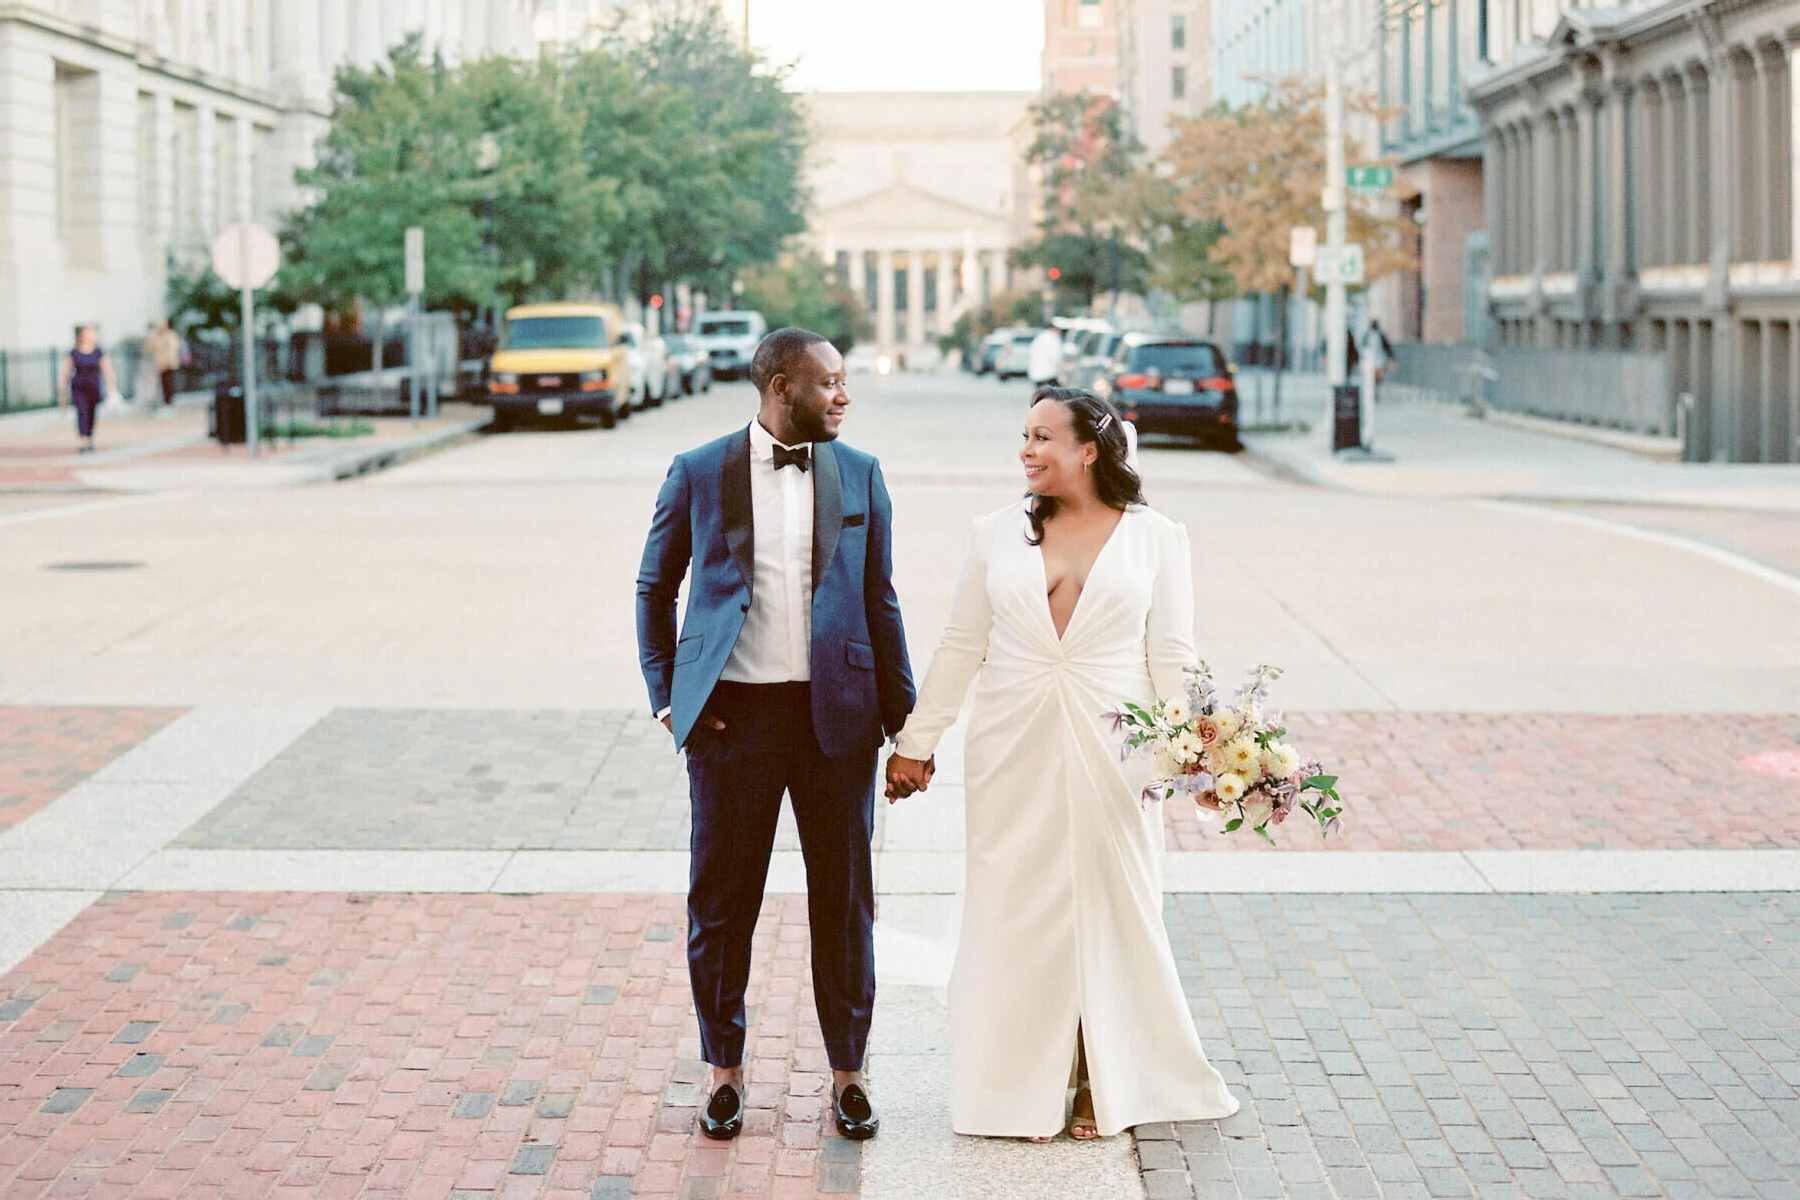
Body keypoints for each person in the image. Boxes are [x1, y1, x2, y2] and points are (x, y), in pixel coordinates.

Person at [884, 385, 1239, 1142]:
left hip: (1119, 751)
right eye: (1024, 435)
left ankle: (1096, 1081)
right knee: (1017, 912)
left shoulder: (1157, 538)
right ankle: (1020, 1087)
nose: (1027, 450)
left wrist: (1206, 756)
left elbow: (1173, 656)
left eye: (1044, 436)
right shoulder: (993, 533)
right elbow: (960, 645)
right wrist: (918, 742)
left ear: (1090, 449)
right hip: (1012, 744)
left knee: (1112, 909)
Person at [635, 327, 917, 1143]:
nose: (843, 395)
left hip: (839, 722)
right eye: (829, 382)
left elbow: (881, 598)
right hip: (734, 725)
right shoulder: (698, 471)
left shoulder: (859, 472)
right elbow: (656, 588)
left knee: (846, 903)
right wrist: (669, 700)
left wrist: (905, 727)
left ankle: (849, 1076)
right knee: (723, 906)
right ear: (781, 385)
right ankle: (722, 1074)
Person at [60, 325, 117, 454]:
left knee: (91, 412)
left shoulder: (98, 352)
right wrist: (62, 385)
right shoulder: (74, 352)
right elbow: (66, 370)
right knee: (82, 411)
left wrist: (111, 387)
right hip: (79, 387)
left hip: (93, 387)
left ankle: (90, 438)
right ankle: (83, 440)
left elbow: (107, 369)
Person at [144, 319, 185, 408]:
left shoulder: (171, 336)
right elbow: (149, 347)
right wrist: (155, 335)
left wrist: (166, 363)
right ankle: (165, 404)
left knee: (168, 385)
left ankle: (169, 404)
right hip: (161, 365)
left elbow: (172, 351)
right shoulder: (160, 336)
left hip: (168, 365)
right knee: (164, 385)